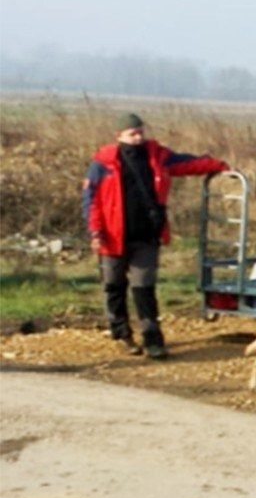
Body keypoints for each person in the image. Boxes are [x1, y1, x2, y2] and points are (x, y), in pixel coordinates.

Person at [83, 112, 230, 359]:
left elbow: (188, 164)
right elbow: (91, 201)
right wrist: (95, 231)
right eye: (132, 133)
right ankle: (122, 334)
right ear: (118, 136)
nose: (138, 137)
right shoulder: (102, 163)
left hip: (147, 235)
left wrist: (219, 166)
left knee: (144, 288)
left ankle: (152, 338)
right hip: (112, 236)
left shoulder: (157, 156)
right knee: (114, 287)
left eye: (140, 132)